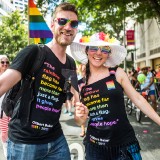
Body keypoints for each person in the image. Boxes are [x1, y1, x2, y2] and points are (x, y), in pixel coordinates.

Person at [0, 2, 80, 160]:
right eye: (62, 21)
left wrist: (81, 109)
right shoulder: (34, 52)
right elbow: (2, 84)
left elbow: (75, 96)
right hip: (24, 143)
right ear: (52, 25)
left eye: (74, 23)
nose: (68, 27)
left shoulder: (71, 63)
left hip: (56, 139)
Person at [70, 32, 160, 160]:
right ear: (86, 50)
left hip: (124, 145)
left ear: (109, 54)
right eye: (94, 48)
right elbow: (80, 120)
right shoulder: (79, 84)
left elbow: (138, 99)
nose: (98, 53)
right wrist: (80, 117)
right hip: (95, 149)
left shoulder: (117, 73)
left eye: (104, 49)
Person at [0, 55, 10, 158]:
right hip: (1, 110)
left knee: (12, 132)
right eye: (2, 62)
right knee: (4, 133)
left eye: (7, 62)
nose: (5, 64)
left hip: (12, 110)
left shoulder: (12, 76)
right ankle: (7, 153)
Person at [78, 64, 86, 137]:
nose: (84, 72)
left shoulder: (90, 79)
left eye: (85, 70)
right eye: (82, 70)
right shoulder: (79, 81)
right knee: (81, 116)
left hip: (91, 99)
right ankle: (83, 131)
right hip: (82, 100)